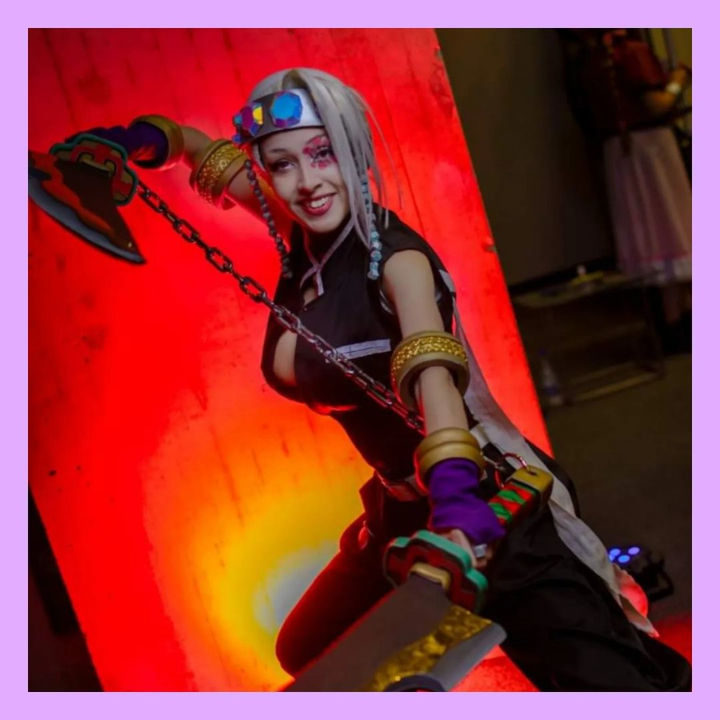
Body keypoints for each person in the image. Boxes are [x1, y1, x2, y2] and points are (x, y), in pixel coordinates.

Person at [77, 67, 690, 690]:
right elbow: (195, 147)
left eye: (323, 154)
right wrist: (130, 143)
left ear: (354, 151)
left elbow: (435, 379)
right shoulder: (301, 235)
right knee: (309, 646)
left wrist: (456, 509)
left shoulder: (399, 263)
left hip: (480, 509)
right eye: (283, 164)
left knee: (617, 689)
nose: (308, 181)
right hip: (397, 513)